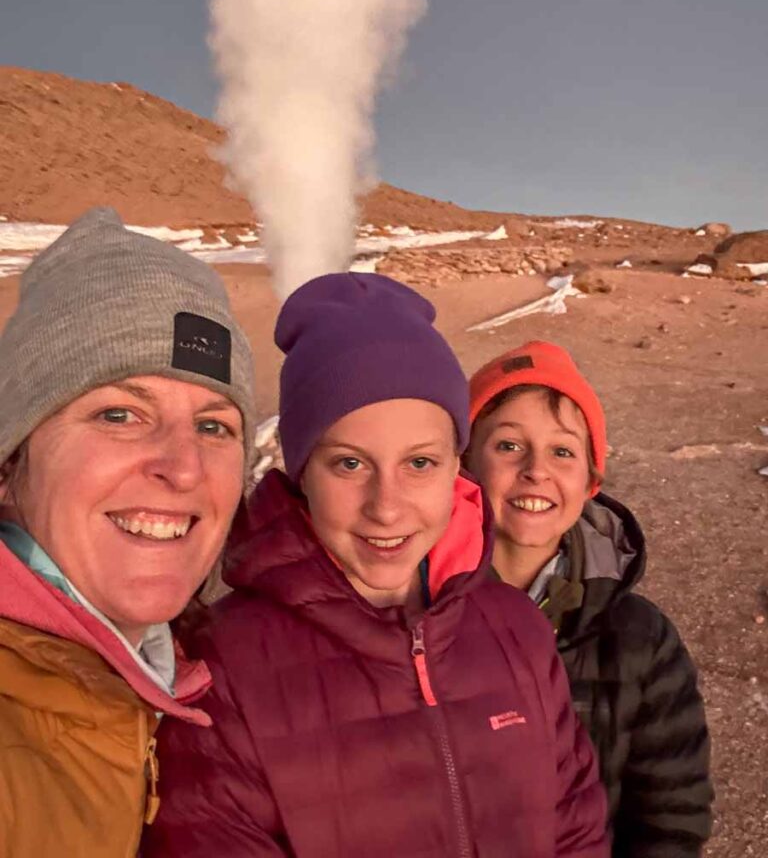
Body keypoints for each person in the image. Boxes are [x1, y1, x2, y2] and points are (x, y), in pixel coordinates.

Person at [143, 273, 609, 858]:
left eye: (419, 463)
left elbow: (574, 823)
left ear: (455, 469)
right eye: (349, 464)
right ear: (300, 473)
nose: (386, 508)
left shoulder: (515, 627)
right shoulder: (221, 667)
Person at [0, 207, 256, 858]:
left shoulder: (138, 679)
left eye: (214, 425)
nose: (183, 466)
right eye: (120, 413)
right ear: (11, 462)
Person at [464, 340, 713, 857]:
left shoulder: (640, 640)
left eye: (562, 451)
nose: (537, 469)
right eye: (508, 446)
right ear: (464, 466)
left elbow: (671, 815)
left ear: (590, 481)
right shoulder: (419, 619)